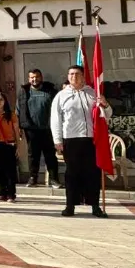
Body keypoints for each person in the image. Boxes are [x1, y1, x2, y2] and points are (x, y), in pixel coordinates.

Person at [51, 65, 112, 218]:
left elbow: (107, 115)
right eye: (71, 74)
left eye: (77, 74)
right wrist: (57, 140)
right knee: (72, 174)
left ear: (83, 76)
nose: (74, 77)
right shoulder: (61, 96)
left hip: (91, 139)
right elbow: (55, 119)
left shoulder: (92, 93)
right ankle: (70, 205)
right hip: (70, 139)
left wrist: (105, 104)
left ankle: (95, 206)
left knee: (92, 173)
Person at [16, 70, 60, 188]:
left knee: (50, 155)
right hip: (31, 129)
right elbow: (18, 110)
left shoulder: (51, 91)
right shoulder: (24, 92)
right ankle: (32, 179)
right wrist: (20, 127)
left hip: (48, 129)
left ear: (41, 77)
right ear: (29, 79)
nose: (34, 79)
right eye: (31, 77)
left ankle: (54, 179)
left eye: (36, 77)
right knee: (32, 155)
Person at [0, 93, 20, 203]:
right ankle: (2, 194)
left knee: (10, 171)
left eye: (1, 99)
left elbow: (16, 131)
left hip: (9, 145)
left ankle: (11, 194)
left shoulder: (11, 115)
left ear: (5, 101)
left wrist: (18, 146)